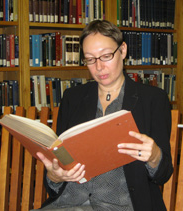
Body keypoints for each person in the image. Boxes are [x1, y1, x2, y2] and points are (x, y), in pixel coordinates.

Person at [35, 20, 173, 211]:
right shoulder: (72, 98)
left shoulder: (152, 99)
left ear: (122, 50)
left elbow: (163, 174)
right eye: (90, 59)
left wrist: (155, 156)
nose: (99, 67)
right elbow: (55, 179)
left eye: (106, 56)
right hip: (68, 204)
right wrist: (54, 176)